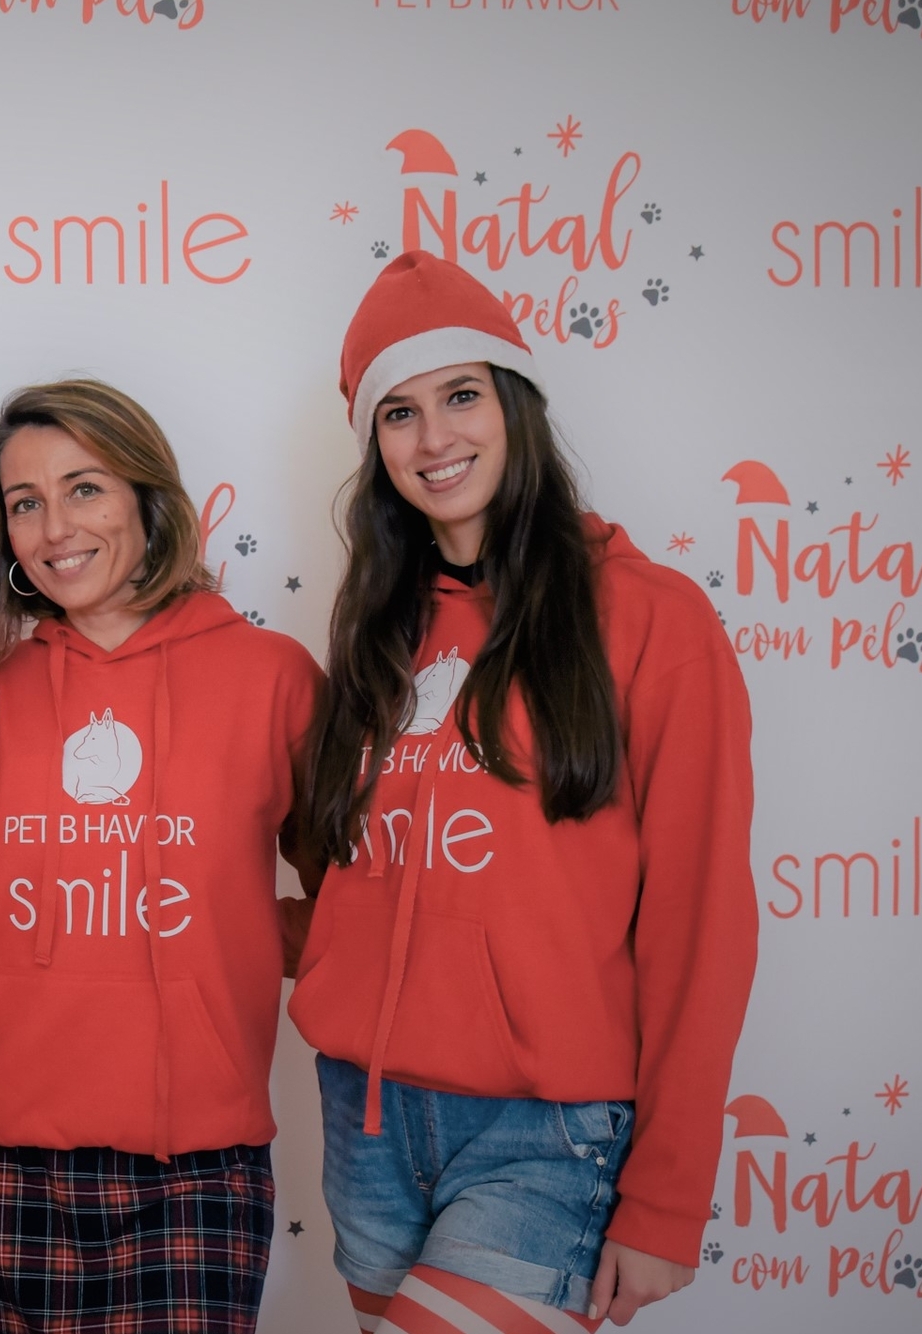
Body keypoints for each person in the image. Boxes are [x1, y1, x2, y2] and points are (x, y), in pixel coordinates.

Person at [289, 251, 758, 1332]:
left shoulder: (651, 619)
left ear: (514, 402)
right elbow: (360, 880)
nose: (433, 438)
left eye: (460, 395)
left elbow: (699, 923)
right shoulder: (378, 624)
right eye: (398, 412)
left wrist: (668, 1193)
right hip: (366, 1118)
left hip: (546, 1134)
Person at [0, 380, 325, 1333]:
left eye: (85, 488)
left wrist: (235, 932)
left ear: (148, 497)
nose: (56, 528)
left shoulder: (273, 679)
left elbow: (356, 893)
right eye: (25, 502)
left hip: (196, 1170)